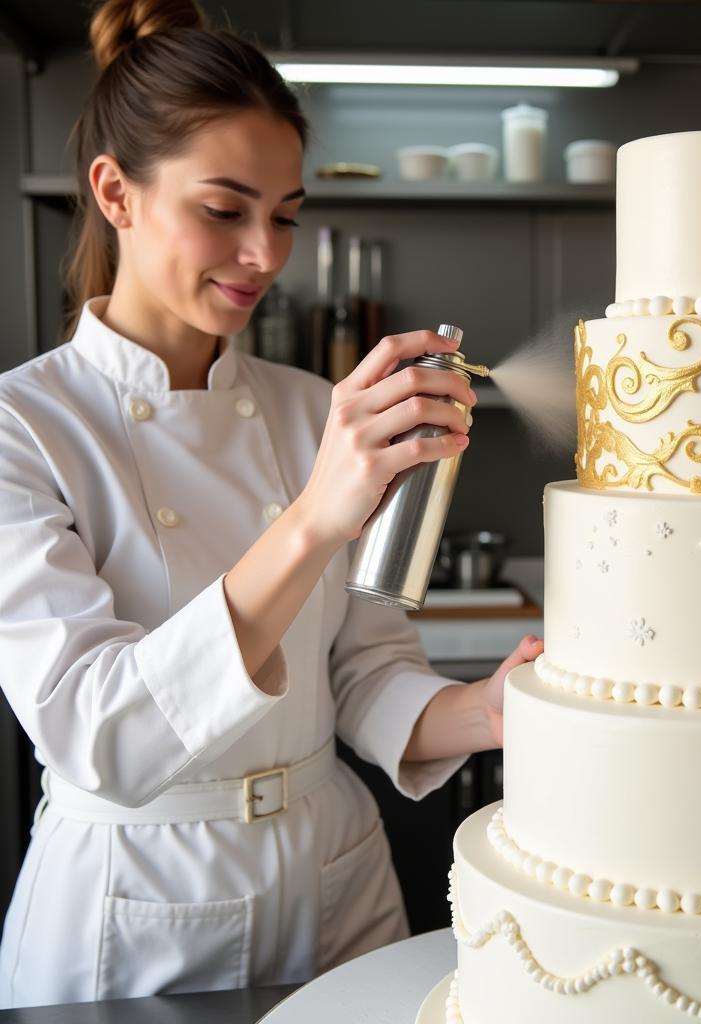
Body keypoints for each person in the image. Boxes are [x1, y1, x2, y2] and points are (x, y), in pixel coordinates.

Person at [0, 0, 542, 1007]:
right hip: (133, 911)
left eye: (286, 214)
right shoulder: (24, 427)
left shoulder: (310, 412)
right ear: (115, 193)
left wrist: (485, 711)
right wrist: (313, 519)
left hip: (336, 884)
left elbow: (364, 668)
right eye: (224, 209)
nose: (265, 253)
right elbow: (99, 732)